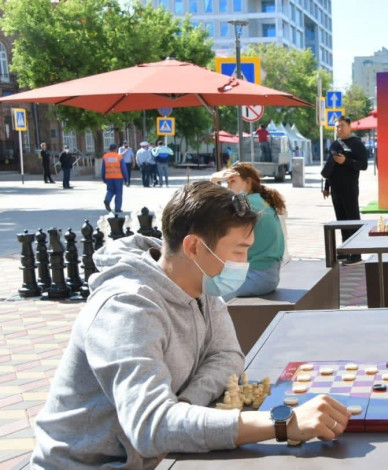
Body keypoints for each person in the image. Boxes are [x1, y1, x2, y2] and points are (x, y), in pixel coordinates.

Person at [30, 181, 350, 468]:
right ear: (194, 247)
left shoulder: (203, 284)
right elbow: (151, 426)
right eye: (239, 251)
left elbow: (228, 357)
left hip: (161, 457)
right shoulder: (126, 308)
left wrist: (184, 405)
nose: (245, 263)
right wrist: (283, 423)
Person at [210, 162, 286, 299]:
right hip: (263, 274)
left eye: (233, 181)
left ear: (248, 182)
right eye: (227, 182)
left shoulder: (247, 203)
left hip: (257, 276)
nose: (228, 186)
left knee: (210, 295)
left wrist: (213, 181)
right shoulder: (259, 200)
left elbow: (215, 209)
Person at [321, 115, 368, 265]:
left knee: (352, 219)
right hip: (335, 188)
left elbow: (363, 165)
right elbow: (330, 167)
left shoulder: (357, 144)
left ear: (349, 126)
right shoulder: (334, 144)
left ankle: (356, 254)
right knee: (341, 220)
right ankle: (346, 250)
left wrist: (346, 161)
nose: (339, 129)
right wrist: (326, 187)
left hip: (350, 187)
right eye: (337, 127)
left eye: (342, 126)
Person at [101, 143, 129, 213]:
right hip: (118, 178)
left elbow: (103, 169)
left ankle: (107, 200)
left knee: (110, 191)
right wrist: (126, 180)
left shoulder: (105, 157)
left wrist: (103, 178)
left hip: (109, 177)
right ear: (116, 149)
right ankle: (117, 208)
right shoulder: (119, 157)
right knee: (118, 193)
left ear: (109, 149)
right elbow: (124, 169)